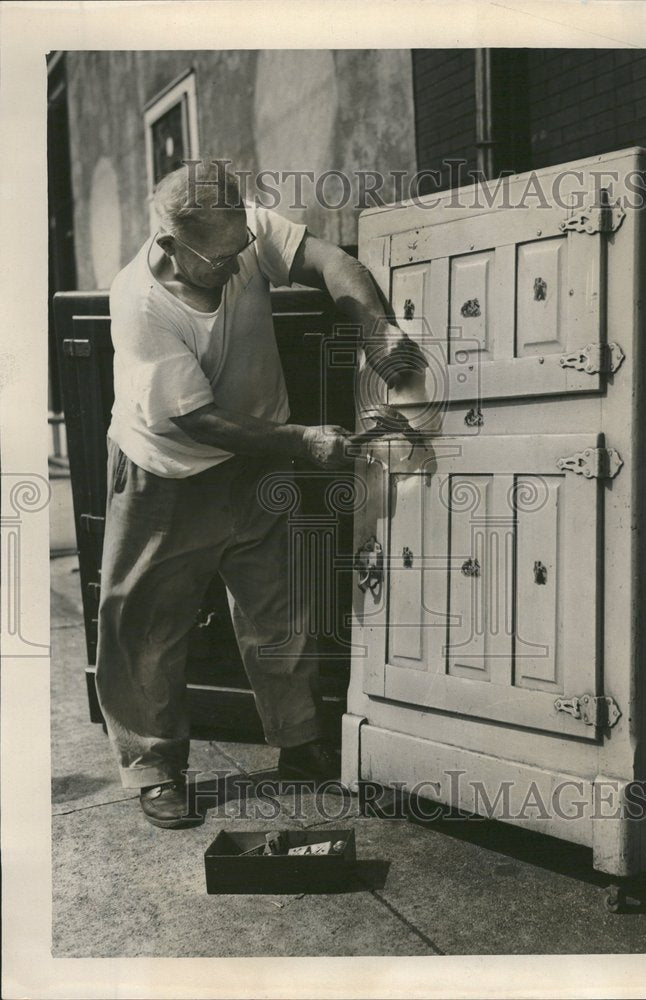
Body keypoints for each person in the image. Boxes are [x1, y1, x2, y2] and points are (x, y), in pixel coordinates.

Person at [96, 160, 425, 828]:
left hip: (256, 464)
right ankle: (156, 768)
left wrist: (377, 332)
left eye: (244, 241)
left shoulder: (240, 232)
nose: (242, 259)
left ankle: (300, 743)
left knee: (282, 607)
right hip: (167, 470)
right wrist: (302, 440)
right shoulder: (140, 305)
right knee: (146, 625)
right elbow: (196, 420)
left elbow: (335, 262)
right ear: (171, 249)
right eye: (223, 257)